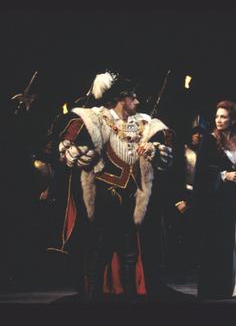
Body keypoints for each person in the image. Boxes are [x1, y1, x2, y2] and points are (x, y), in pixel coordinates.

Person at [49, 71, 180, 302]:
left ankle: (130, 298)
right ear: (121, 99)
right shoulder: (95, 119)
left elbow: (166, 148)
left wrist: (152, 149)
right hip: (104, 194)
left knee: (130, 250)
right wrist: (80, 155)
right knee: (100, 248)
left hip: (133, 196)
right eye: (133, 97)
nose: (137, 102)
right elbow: (67, 148)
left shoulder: (143, 122)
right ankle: (93, 297)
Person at [191, 100, 236, 300]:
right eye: (217, 116)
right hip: (219, 201)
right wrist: (223, 175)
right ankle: (223, 286)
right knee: (222, 243)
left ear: (232, 119)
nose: (219, 120)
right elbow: (202, 171)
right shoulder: (209, 140)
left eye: (223, 116)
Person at [166, 114, 207, 284]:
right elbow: (173, 179)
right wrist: (178, 201)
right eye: (195, 132)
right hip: (185, 198)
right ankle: (180, 272)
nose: (198, 136)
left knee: (204, 239)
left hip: (204, 200)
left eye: (201, 132)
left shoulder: (209, 153)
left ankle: (206, 274)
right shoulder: (181, 152)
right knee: (182, 238)